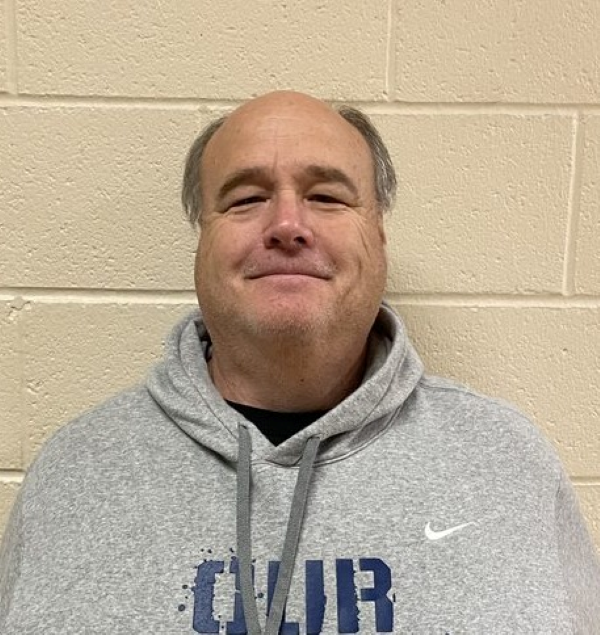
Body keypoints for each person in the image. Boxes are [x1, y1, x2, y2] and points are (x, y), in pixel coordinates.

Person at [0, 91, 598, 634]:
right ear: (202, 240)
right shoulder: (74, 474)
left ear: (379, 235)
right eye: (246, 199)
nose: (287, 225)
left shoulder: (507, 463)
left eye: (327, 197)